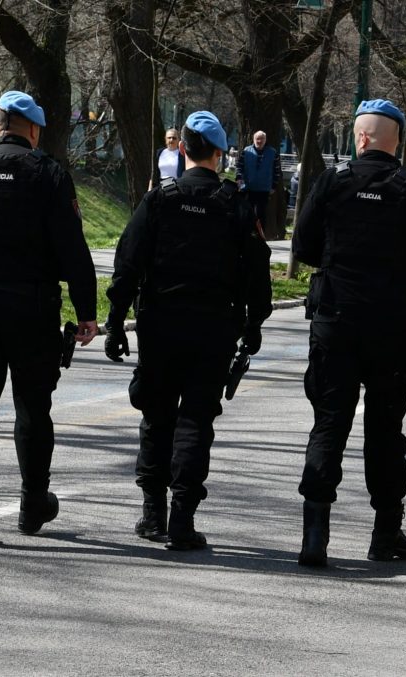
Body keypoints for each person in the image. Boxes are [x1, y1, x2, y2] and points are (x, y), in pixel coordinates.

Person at [104, 111, 271, 551]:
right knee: (196, 421)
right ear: (219, 154)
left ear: (182, 149)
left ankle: (152, 513)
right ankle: (182, 518)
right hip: (213, 329)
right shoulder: (236, 203)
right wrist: (254, 324)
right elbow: (257, 273)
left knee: (156, 418)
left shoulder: (160, 199)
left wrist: (116, 321)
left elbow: (128, 263)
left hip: (160, 325)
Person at [0, 91, 98, 546]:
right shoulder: (48, 174)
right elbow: (72, 248)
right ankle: (31, 505)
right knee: (33, 409)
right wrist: (86, 313)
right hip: (33, 310)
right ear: (33, 130)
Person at [292, 99, 406, 567]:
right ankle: (385, 534)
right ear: (395, 141)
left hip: (335, 320)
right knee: (385, 431)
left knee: (329, 424)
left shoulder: (332, 183)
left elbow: (304, 246)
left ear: (359, 138)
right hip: (390, 326)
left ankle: (315, 536)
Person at [238, 130, 282, 228]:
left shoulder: (273, 152)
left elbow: (277, 171)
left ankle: (260, 237)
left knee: (260, 214)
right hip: (247, 188)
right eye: (257, 139)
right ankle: (247, 235)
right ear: (253, 139)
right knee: (247, 213)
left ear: (265, 140)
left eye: (262, 139)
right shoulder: (246, 151)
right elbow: (239, 166)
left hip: (264, 189)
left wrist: (273, 186)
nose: (259, 141)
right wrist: (239, 179)